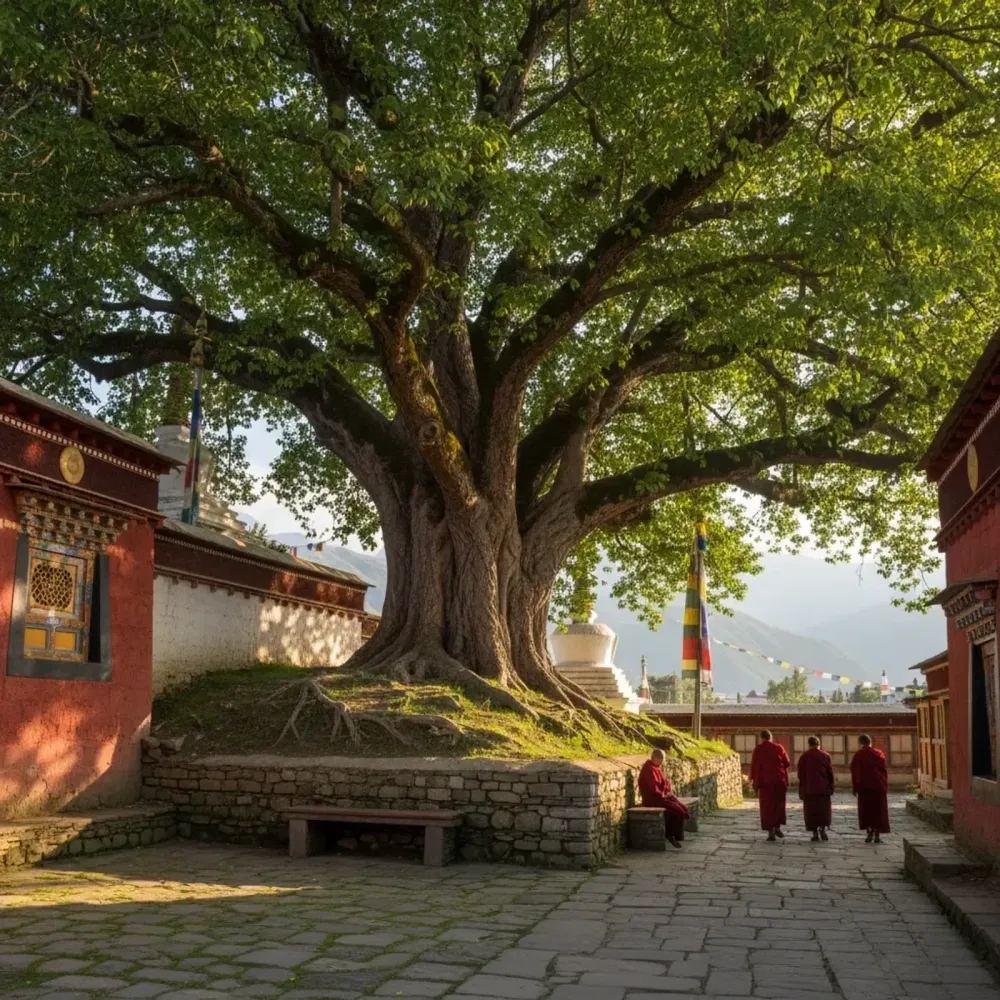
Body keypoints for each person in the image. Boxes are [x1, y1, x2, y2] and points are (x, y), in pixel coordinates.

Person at [638, 749, 689, 849]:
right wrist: (664, 793)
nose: (662, 762)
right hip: (653, 800)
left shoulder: (656, 767)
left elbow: (665, 782)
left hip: (661, 797)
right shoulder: (648, 769)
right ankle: (670, 834)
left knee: (684, 808)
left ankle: (675, 835)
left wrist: (667, 792)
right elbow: (653, 788)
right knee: (679, 811)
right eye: (661, 759)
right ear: (655, 758)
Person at [750, 730, 791, 841]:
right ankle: (777, 826)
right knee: (778, 805)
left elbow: (754, 766)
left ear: (761, 738)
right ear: (771, 737)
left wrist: (753, 780)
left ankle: (770, 831)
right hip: (779, 781)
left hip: (764, 783)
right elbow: (787, 763)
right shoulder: (779, 748)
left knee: (766, 807)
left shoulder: (758, 749)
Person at [850, 734, 890, 843]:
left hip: (864, 788)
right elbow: (883, 771)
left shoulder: (858, 755)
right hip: (878, 787)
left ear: (860, 743)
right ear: (870, 742)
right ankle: (877, 835)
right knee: (878, 811)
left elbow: (855, 772)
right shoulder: (879, 753)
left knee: (866, 810)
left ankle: (869, 833)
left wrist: (855, 787)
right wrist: (885, 785)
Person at [797, 735, 834, 842]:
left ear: (809, 744)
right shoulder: (825, 756)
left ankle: (815, 833)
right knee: (823, 811)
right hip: (823, 789)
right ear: (819, 744)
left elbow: (800, 774)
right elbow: (830, 773)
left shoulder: (804, 757)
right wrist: (831, 786)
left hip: (809, 789)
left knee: (811, 812)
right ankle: (822, 828)